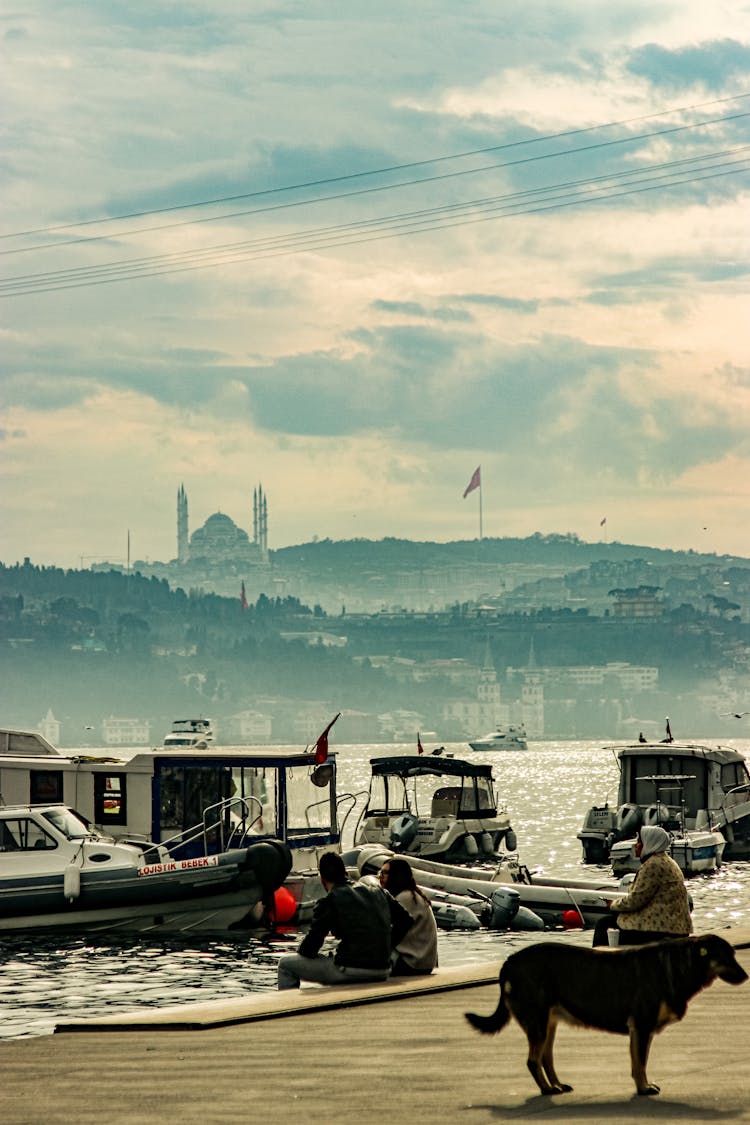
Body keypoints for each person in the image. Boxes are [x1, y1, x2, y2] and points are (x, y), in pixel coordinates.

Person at [277, 851, 412, 990]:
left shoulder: (329, 901)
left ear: (322, 878)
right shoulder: (379, 891)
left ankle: (288, 1006)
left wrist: (307, 952)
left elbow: (311, 946)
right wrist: (387, 946)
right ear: (345, 872)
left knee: (286, 964)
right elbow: (406, 920)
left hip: (350, 969)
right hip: (383, 969)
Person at [592, 825, 693, 947]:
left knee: (603, 924)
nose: (636, 845)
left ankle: (600, 960)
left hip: (661, 929)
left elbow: (635, 900)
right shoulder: (667, 861)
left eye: (639, 842)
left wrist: (612, 904)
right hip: (676, 926)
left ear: (650, 844)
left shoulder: (653, 865)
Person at [379, 856, 438, 975]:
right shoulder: (413, 895)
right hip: (425, 963)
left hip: (412, 962)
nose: (380, 876)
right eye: (380, 872)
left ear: (396, 876)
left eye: (385, 873)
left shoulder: (405, 898)